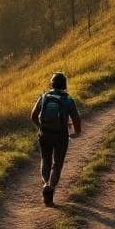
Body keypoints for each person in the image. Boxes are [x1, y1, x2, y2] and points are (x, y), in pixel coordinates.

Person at [30, 72, 82, 207]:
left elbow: (33, 115)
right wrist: (77, 132)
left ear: (51, 84)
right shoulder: (68, 100)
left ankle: (45, 184)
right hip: (61, 135)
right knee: (57, 163)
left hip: (45, 134)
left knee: (45, 159)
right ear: (65, 85)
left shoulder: (44, 97)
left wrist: (41, 127)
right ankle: (51, 188)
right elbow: (76, 119)